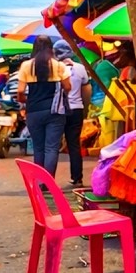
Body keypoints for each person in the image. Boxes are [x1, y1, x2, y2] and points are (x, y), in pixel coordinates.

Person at [16, 36, 71, 179]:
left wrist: (25, 101)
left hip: (33, 111)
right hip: (55, 111)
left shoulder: (26, 66)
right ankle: (49, 182)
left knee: (38, 147)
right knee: (52, 148)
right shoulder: (58, 65)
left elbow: (20, 91)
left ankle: (40, 181)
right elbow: (68, 87)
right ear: (50, 48)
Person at [53, 40, 92, 187]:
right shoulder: (81, 68)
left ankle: (48, 180)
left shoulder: (54, 68)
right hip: (76, 109)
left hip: (58, 110)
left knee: (53, 145)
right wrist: (85, 108)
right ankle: (77, 178)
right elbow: (86, 91)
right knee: (74, 144)